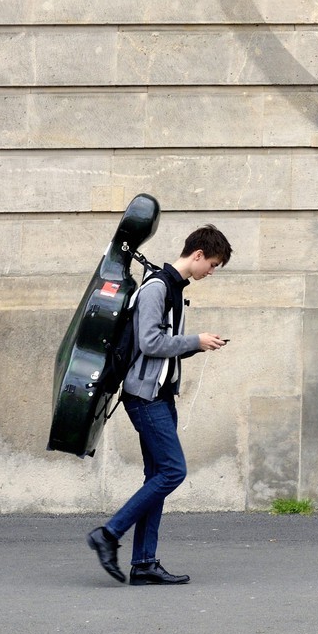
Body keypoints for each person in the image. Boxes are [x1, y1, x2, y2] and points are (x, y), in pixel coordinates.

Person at [86, 224, 232, 586]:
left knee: (157, 476)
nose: (210, 273)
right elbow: (151, 343)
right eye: (211, 265)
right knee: (172, 472)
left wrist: (196, 344)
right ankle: (108, 534)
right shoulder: (157, 288)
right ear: (197, 254)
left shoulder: (174, 288)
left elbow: (161, 350)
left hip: (160, 397)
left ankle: (144, 563)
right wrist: (195, 340)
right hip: (145, 398)